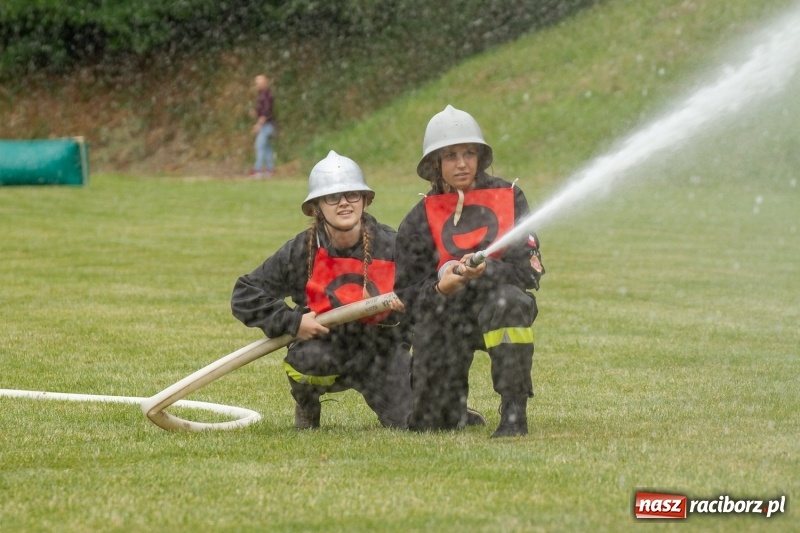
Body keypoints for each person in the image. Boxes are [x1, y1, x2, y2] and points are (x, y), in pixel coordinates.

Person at [231, 150, 412, 429]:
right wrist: (293, 322)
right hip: (324, 348)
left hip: (381, 353)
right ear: (316, 207)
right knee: (308, 360)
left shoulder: (393, 246)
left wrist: (407, 308)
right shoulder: (302, 251)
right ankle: (307, 404)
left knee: (413, 422)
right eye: (332, 197)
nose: (344, 203)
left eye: (352, 194)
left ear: (365, 200)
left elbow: (429, 293)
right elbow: (245, 294)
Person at [394, 105, 545, 438]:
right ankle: (452, 409)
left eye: (468, 153)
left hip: (497, 306)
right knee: (431, 424)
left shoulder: (509, 198)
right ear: (435, 164)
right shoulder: (419, 219)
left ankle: (514, 412)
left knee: (510, 303)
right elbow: (407, 295)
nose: (461, 163)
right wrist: (440, 289)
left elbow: (528, 272)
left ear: (480, 157)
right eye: (450, 156)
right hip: (445, 315)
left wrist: (488, 270)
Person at [249, 74, 276, 178]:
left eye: (258, 82)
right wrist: (256, 112)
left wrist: (258, 125)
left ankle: (258, 170)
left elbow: (266, 112)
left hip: (266, 125)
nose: (256, 84)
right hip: (269, 124)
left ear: (264, 82)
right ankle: (270, 170)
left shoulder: (266, 95)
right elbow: (263, 110)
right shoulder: (263, 94)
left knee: (259, 146)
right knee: (267, 147)